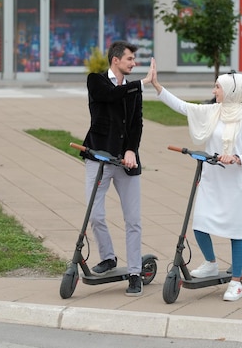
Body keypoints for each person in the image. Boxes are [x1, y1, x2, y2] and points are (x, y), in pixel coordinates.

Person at [150, 70, 242, 301]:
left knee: (235, 232)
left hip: (234, 185)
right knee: (199, 224)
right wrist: (157, 86)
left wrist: (237, 158)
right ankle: (211, 263)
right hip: (211, 180)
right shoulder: (213, 111)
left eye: (217, 87)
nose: (213, 91)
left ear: (231, 90)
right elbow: (183, 106)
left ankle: (235, 282)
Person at [81, 40, 155, 297]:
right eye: (130, 59)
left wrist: (131, 150)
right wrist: (142, 82)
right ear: (116, 60)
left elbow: (137, 123)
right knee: (95, 214)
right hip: (99, 157)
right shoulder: (96, 81)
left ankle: (135, 273)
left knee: (133, 220)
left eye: (134, 60)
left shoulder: (134, 90)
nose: (133, 63)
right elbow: (110, 96)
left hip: (126, 162)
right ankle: (108, 257)